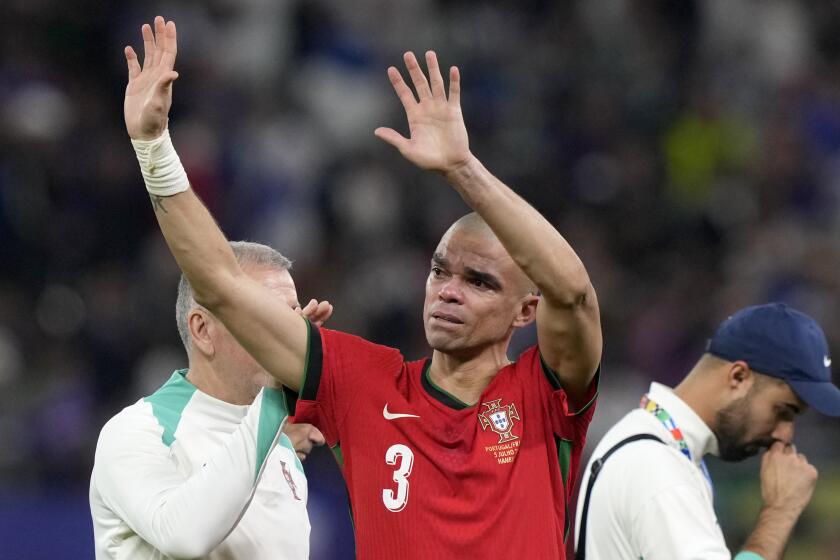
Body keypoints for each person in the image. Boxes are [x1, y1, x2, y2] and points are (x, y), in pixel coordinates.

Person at [122, 16, 601, 558]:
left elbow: (575, 295)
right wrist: (153, 146)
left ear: (524, 312)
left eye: (479, 282)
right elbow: (222, 284)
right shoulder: (364, 383)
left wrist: (464, 171)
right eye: (439, 271)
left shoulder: (543, 394)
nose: (447, 291)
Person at [89, 241, 330, 560]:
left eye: (292, 318)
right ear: (203, 330)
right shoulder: (136, 431)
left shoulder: (281, 453)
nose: (288, 334)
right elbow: (181, 537)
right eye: (268, 316)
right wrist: (275, 396)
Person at [575, 303, 840, 560]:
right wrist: (781, 510)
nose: (784, 435)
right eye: (783, 410)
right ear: (738, 377)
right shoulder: (656, 467)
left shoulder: (655, 446)